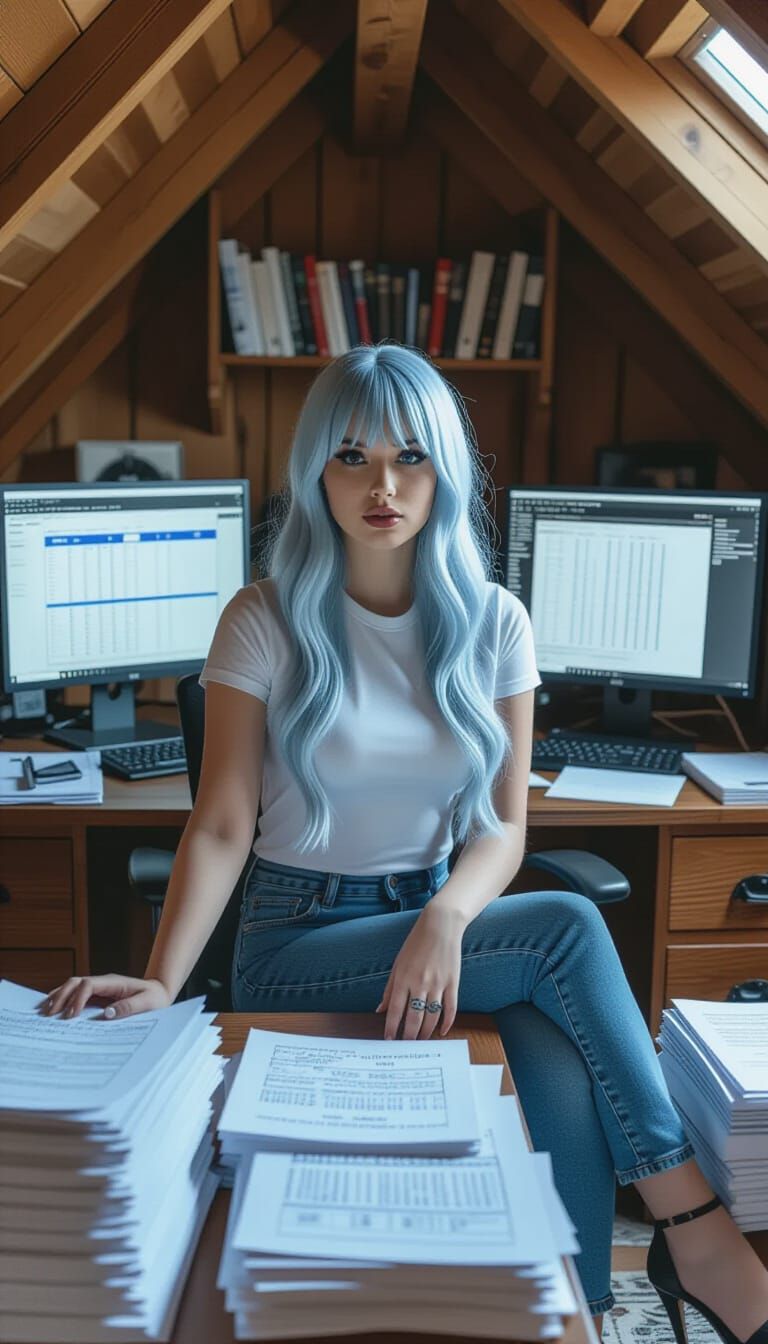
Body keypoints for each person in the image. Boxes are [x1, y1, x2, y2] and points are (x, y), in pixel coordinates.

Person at [42, 344, 768, 1340]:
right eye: (352, 457)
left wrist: (446, 915)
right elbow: (219, 823)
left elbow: (502, 827)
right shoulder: (263, 620)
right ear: (315, 473)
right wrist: (166, 982)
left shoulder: (497, 624)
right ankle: (695, 1228)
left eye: (411, 457)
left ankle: (582, 1308)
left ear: (447, 471)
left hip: (435, 917)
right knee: (561, 930)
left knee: (555, 1036)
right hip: (298, 943)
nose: (383, 486)